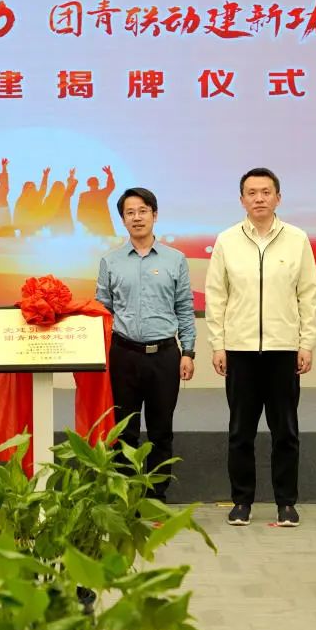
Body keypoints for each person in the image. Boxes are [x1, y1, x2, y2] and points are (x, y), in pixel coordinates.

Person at [204, 167, 316, 529]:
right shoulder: (226, 240)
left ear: (278, 198)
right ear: (242, 200)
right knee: (240, 432)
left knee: (285, 431)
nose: (259, 198)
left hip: (283, 350)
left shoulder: (297, 239)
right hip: (239, 351)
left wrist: (306, 343)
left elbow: (309, 295)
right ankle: (242, 502)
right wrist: (218, 344)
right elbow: (216, 296)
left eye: (266, 192)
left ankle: (286, 503)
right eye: (252, 193)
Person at [95, 188, 195, 500]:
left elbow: (184, 308)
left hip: (164, 356)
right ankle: (126, 497)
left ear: (154, 214)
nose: (137, 217)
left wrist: (188, 351)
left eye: (143, 211)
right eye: (130, 212)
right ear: (122, 219)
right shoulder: (110, 261)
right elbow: (102, 309)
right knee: (124, 431)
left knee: (160, 430)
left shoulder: (175, 259)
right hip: (124, 355)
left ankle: (156, 498)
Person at [77, 166, 117, 238]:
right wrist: (110, 175)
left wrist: (81, 224)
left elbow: (80, 211)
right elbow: (111, 186)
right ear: (98, 183)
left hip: (91, 225)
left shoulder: (84, 195)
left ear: (88, 184)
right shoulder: (102, 193)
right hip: (103, 225)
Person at [13, 167, 50, 237]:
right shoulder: (21, 199)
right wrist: (17, 225)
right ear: (25, 188)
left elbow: (43, 188)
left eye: (32, 187)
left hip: (34, 226)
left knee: (35, 241)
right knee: (24, 241)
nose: (30, 189)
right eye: (28, 187)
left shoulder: (37, 197)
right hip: (24, 227)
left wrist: (45, 177)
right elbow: (17, 212)